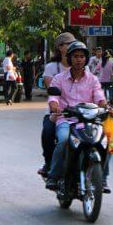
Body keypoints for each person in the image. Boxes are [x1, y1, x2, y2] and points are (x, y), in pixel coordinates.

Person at [46, 41, 113, 193]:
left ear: (86, 59)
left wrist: (108, 108)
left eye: (82, 56)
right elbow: (53, 99)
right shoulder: (59, 78)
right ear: (69, 58)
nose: (79, 59)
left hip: (89, 121)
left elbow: (99, 98)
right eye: (76, 56)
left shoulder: (93, 79)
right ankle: (54, 175)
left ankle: (102, 179)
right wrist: (55, 107)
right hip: (66, 119)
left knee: (106, 142)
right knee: (63, 140)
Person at [38, 32, 76, 177]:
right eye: (69, 44)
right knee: (48, 132)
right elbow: (51, 89)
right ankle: (49, 163)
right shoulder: (52, 67)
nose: (79, 59)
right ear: (60, 47)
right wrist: (57, 106)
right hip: (58, 113)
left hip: (79, 112)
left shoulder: (83, 68)